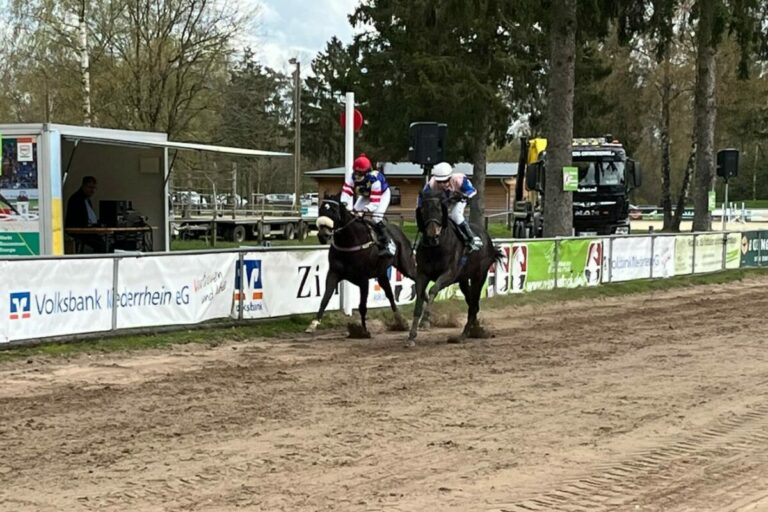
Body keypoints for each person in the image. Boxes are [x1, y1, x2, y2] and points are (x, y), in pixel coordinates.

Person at [419, 162, 482, 252]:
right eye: (439, 181)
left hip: (459, 199)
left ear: (450, 177)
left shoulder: (459, 179)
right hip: (444, 201)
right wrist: (421, 207)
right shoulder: (431, 184)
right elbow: (422, 197)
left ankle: (471, 238)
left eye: (445, 181)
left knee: (455, 215)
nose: (442, 184)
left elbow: (472, 190)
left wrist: (464, 195)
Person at [343, 153, 395, 256]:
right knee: (354, 214)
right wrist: (343, 204)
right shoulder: (352, 176)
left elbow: (375, 203)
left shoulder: (374, 180)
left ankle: (387, 244)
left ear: (367, 173)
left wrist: (365, 210)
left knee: (376, 218)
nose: (357, 176)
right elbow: (346, 190)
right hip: (366, 195)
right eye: (356, 172)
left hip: (381, 194)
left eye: (360, 174)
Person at [65, 176, 107, 253]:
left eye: (94, 188)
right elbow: (79, 221)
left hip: (87, 230)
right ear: (83, 186)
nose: (92, 190)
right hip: (79, 232)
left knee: (104, 242)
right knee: (100, 244)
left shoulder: (87, 200)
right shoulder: (76, 200)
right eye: (90, 187)